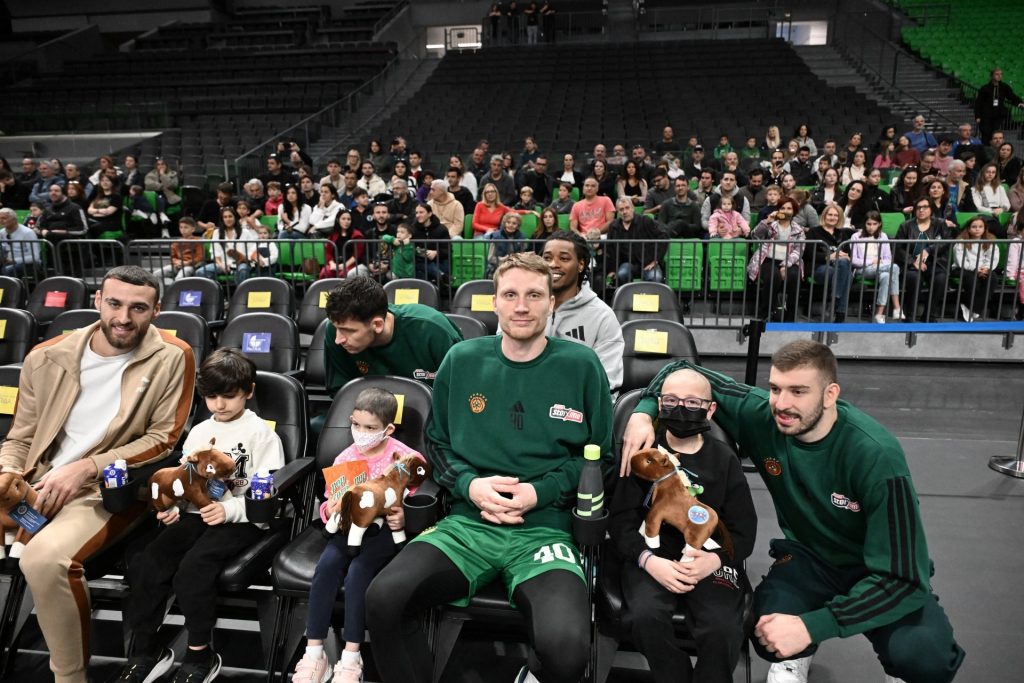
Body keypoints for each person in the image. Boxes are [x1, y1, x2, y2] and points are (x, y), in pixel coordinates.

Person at [621, 340, 965, 683]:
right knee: (764, 629)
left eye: (798, 391)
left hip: (876, 568)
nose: (782, 403)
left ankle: (873, 661)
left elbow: (905, 578)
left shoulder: (876, 456)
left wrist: (811, 626)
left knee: (925, 659)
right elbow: (681, 369)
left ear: (830, 395)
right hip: (809, 559)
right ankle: (796, 654)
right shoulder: (764, 416)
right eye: (775, 389)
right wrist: (643, 413)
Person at [365, 252, 614, 683]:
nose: (522, 306)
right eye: (510, 295)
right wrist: (470, 485)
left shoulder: (582, 365)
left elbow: (601, 457)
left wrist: (540, 492)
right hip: (467, 524)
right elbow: (437, 444)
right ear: (494, 302)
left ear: (551, 302)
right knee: (383, 598)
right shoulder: (461, 359)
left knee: (567, 650)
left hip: (546, 530)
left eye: (534, 295)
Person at [0, 266, 194, 683]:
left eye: (138, 308)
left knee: (45, 559)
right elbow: (20, 437)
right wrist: (9, 474)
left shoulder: (174, 355)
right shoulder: (45, 355)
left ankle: (70, 678)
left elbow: (163, 439)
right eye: (115, 304)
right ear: (97, 302)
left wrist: (88, 466)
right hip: (38, 483)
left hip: (109, 489)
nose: (124, 317)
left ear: (156, 311)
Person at [116, 349, 283, 683]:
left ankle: (199, 653)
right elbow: (183, 480)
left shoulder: (262, 434)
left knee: (194, 567)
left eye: (229, 396)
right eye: (211, 396)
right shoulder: (199, 431)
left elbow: (266, 490)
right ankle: (146, 649)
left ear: (248, 391)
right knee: (149, 560)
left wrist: (229, 510)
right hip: (195, 515)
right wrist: (172, 508)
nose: (219, 404)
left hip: (242, 519)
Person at [609, 368, 756, 683]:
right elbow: (621, 520)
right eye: (671, 400)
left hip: (709, 557)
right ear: (660, 404)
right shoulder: (644, 457)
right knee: (645, 617)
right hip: (652, 557)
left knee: (722, 627)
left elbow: (744, 529)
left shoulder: (724, 459)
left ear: (710, 410)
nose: (680, 408)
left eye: (692, 403)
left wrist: (715, 561)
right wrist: (647, 560)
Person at [292, 386, 425, 683]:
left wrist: (404, 515)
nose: (361, 433)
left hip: (383, 532)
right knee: (326, 567)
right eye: (356, 424)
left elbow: (417, 498)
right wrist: (330, 509)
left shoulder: (404, 459)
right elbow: (329, 503)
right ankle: (314, 652)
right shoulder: (345, 459)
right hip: (348, 530)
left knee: (358, 573)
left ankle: (352, 656)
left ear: (388, 429)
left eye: (370, 428)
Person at [322, 276, 462, 394]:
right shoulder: (334, 330)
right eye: (336, 328)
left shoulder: (435, 331)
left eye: (349, 331)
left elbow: (460, 392)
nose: (338, 339)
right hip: (366, 414)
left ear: (377, 325)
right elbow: (342, 393)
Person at [540, 229, 624, 393]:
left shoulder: (602, 316)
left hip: (577, 404)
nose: (553, 264)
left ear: (581, 265)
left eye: (564, 258)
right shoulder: (524, 308)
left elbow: (606, 383)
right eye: (547, 258)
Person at [747, 197, 805, 322]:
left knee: (794, 276)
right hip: (768, 259)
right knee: (773, 276)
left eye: (789, 208)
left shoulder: (799, 230)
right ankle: (765, 313)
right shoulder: (770, 224)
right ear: (778, 210)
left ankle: (790, 317)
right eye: (782, 208)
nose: (786, 211)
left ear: (794, 211)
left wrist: (785, 265)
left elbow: (799, 250)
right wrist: (766, 221)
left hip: (790, 261)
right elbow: (755, 236)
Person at [894, 199, 951, 323]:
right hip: (912, 263)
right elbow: (898, 248)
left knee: (940, 278)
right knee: (914, 278)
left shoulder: (940, 224)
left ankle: (929, 315)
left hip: (935, 262)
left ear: (931, 209)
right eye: (918, 207)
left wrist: (929, 250)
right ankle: (911, 315)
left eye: (925, 207)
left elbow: (946, 242)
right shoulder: (906, 225)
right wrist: (912, 261)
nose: (921, 210)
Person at [850, 211, 904, 323]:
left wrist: (880, 263)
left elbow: (888, 258)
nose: (871, 227)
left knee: (886, 276)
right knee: (894, 268)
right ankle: (897, 307)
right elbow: (854, 260)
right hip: (862, 269)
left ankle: (879, 313)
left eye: (874, 224)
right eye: (869, 224)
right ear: (864, 224)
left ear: (879, 224)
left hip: (881, 267)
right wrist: (871, 261)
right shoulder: (856, 236)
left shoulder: (883, 236)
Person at [804, 204, 854, 322]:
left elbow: (848, 255)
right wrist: (830, 256)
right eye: (830, 214)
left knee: (844, 267)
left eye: (836, 215)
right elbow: (809, 254)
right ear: (824, 216)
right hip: (819, 267)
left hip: (839, 267)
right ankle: (839, 309)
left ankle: (835, 302)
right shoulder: (813, 232)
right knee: (847, 275)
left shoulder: (842, 234)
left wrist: (846, 257)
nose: (833, 217)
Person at [607, 196, 668, 284]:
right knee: (622, 274)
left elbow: (664, 235)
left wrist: (656, 259)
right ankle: (628, 293)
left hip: (648, 263)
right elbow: (610, 249)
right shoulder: (614, 227)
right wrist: (612, 270)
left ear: (633, 208)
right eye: (621, 209)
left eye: (627, 208)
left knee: (655, 277)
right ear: (618, 212)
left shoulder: (645, 221)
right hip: (627, 263)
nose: (625, 212)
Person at [196, 207, 259, 285]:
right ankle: (216, 290)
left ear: (235, 217)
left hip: (242, 263)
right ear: (222, 219)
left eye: (230, 216)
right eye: (225, 217)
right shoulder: (217, 233)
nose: (228, 219)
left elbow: (252, 250)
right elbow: (215, 253)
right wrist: (221, 265)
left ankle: (241, 292)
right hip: (223, 263)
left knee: (243, 269)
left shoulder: (245, 232)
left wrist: (243, 258)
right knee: (201, 272)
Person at [953, 216, 999, 322]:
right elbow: (960, 261)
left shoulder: (990, 241)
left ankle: (972, 308)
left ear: (984, 228)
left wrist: (985, 269)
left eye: (980, 227)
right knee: (972, 279)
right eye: (974, 227)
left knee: (993, 278)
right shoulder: (961, 241)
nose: (977, 229)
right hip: (962, 268)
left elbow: (993, 258)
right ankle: (975, 308)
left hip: (983, 269)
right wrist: (976, 269)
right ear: (968, 229)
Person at [974, 68, 1024, 143]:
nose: (999, 76)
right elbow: (978, 103)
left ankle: (993, 148)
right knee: (985, 133)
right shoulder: (985, 88)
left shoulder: (1004, 87)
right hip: (986, 115)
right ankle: (986, 148)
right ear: (992, 76)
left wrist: (1019, 102)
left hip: (998, 114)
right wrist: (977, 116)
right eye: (997, 74)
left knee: (994, 133)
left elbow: (1012, 96)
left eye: (1001, 74)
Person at [154, 216, 204, 286]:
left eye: (186, 227)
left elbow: (200, 257)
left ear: (193, 229)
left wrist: (187, 263)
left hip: (191, 266)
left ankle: (176, 292)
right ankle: (162, 292)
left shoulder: (197, 241)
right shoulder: (176, 243)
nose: (183, 230)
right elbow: (173, 257)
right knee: (156, 274)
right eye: (181, 227)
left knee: (179, 278)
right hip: (177, 265)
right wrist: (177, 262)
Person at [0, 207, 40, 277]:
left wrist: (13, 260)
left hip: (28, 264)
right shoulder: (1, 233)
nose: (1, 220)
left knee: (7, 270)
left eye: (4, 218)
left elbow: (35, 257)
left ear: (14, 220)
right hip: (8, 262)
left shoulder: (28, 233)